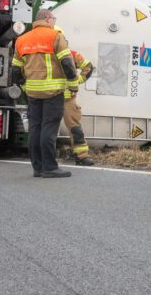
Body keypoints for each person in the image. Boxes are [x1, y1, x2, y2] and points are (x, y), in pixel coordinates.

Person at [12, 10, 79, 178]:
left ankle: (38, 167)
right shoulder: (55, 36)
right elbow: (67, 64)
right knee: (49, 128)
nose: (53, 21)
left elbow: (15, 70)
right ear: (48, 19)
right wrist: (73, 85)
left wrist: (25, 87)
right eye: (53, 19)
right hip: (53, 91)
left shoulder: (21, 40)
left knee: (35, 128)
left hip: (33, 92)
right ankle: (50, 167)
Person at [58, 35, 95, 166]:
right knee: (48, 127)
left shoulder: (72, 55)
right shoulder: (48, 56)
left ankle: (81, 156)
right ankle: (47, 156)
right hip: (53, 98)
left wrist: (77, 81)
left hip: (66, 99)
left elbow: (89, 67)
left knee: (75, 128)